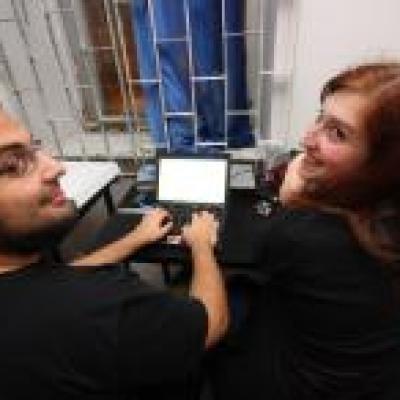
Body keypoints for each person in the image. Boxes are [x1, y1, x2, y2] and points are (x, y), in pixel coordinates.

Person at [0, 109, 229, 398]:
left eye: (35, 147)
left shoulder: (26, 281)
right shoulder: (100, 302)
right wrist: (202, 245)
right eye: (13, 165)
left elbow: (59, 276)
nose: (57, 167)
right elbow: (212, 324)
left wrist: (135, 238)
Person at [208, 62, 400, 399]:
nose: (306, 140)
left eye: (337, 133)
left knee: (225, 297)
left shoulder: (306, 236)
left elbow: (266, 251)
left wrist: (292, 202)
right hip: (376, 374)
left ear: (383, 163)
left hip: (297, 384)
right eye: (320, 118)